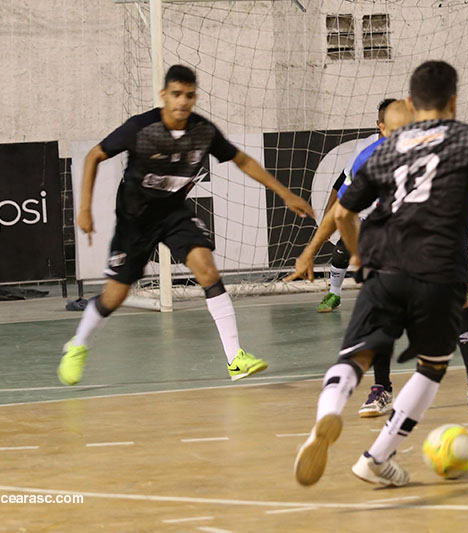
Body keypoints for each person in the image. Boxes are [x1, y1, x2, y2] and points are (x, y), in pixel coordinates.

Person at [293, 60, 468, 487]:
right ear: (453, 100)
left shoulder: (384, 149)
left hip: (384, 265)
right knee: (432, 366)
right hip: (439, 271)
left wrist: (357, 256)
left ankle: (326, 417)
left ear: (412, 104)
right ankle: (377, 457)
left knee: (357, 353)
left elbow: (342, 213)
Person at [58, 65, 314, 386]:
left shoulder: (203, 131)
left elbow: (242, 160)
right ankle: (78, 344)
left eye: (189, 95)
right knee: (114, 296)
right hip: (135, 220)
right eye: (176, 94)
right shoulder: (140, 128)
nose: (182, 102)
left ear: (195, 97)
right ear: (164, 95)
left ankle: (235, 358)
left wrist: (285, 193)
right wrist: (84, 209)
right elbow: (95, 155)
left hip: (174, 213)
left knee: (206, 267)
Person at [316, 98, 396, 313]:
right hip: (368, 212)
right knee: (341, 252)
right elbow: (343, 181)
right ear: (379, 123)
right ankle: (334, 294)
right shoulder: (365, 148)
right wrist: (327, 214)